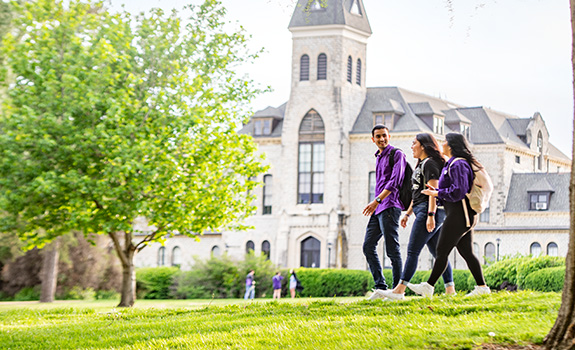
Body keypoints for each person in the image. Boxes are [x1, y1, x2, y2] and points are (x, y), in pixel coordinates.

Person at [408, 132, 490, 298]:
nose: (442, 143)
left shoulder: (459, 164)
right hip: (460, 215)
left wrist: (438, 193)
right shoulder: (452, 163)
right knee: (466, 252)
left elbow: (459, 191)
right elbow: (452, 190)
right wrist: (436, 193)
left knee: (441, 250)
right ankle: (482, 287)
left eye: (445, 141)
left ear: (451, 145)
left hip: (460, 215)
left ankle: (429, 286)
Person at [381, 133, 456, 301]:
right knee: (438, 252)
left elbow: (433, 192)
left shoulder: (430, 164)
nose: (411, 146)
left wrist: (430, 215)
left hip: (430, 211)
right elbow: (418, 195)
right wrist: (407, 214)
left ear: (423, 145)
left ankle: (399, 290)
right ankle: (450, 290)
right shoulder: (421, 165)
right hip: (423, 209)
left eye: (414, 143)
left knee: (413, 250)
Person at [363, 125, 407, 300]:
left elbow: (395, 181)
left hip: (389, 206)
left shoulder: (397, 154)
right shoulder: (378, 157)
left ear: (389, 136)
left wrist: (376, 201)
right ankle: (381, 287)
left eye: (384, 136)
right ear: (373, 139)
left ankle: (398, 291)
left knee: (392, 249)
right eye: (378, 137)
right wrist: (376, 204)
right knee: (368, 246)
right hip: (379, 208)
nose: (381, 139)